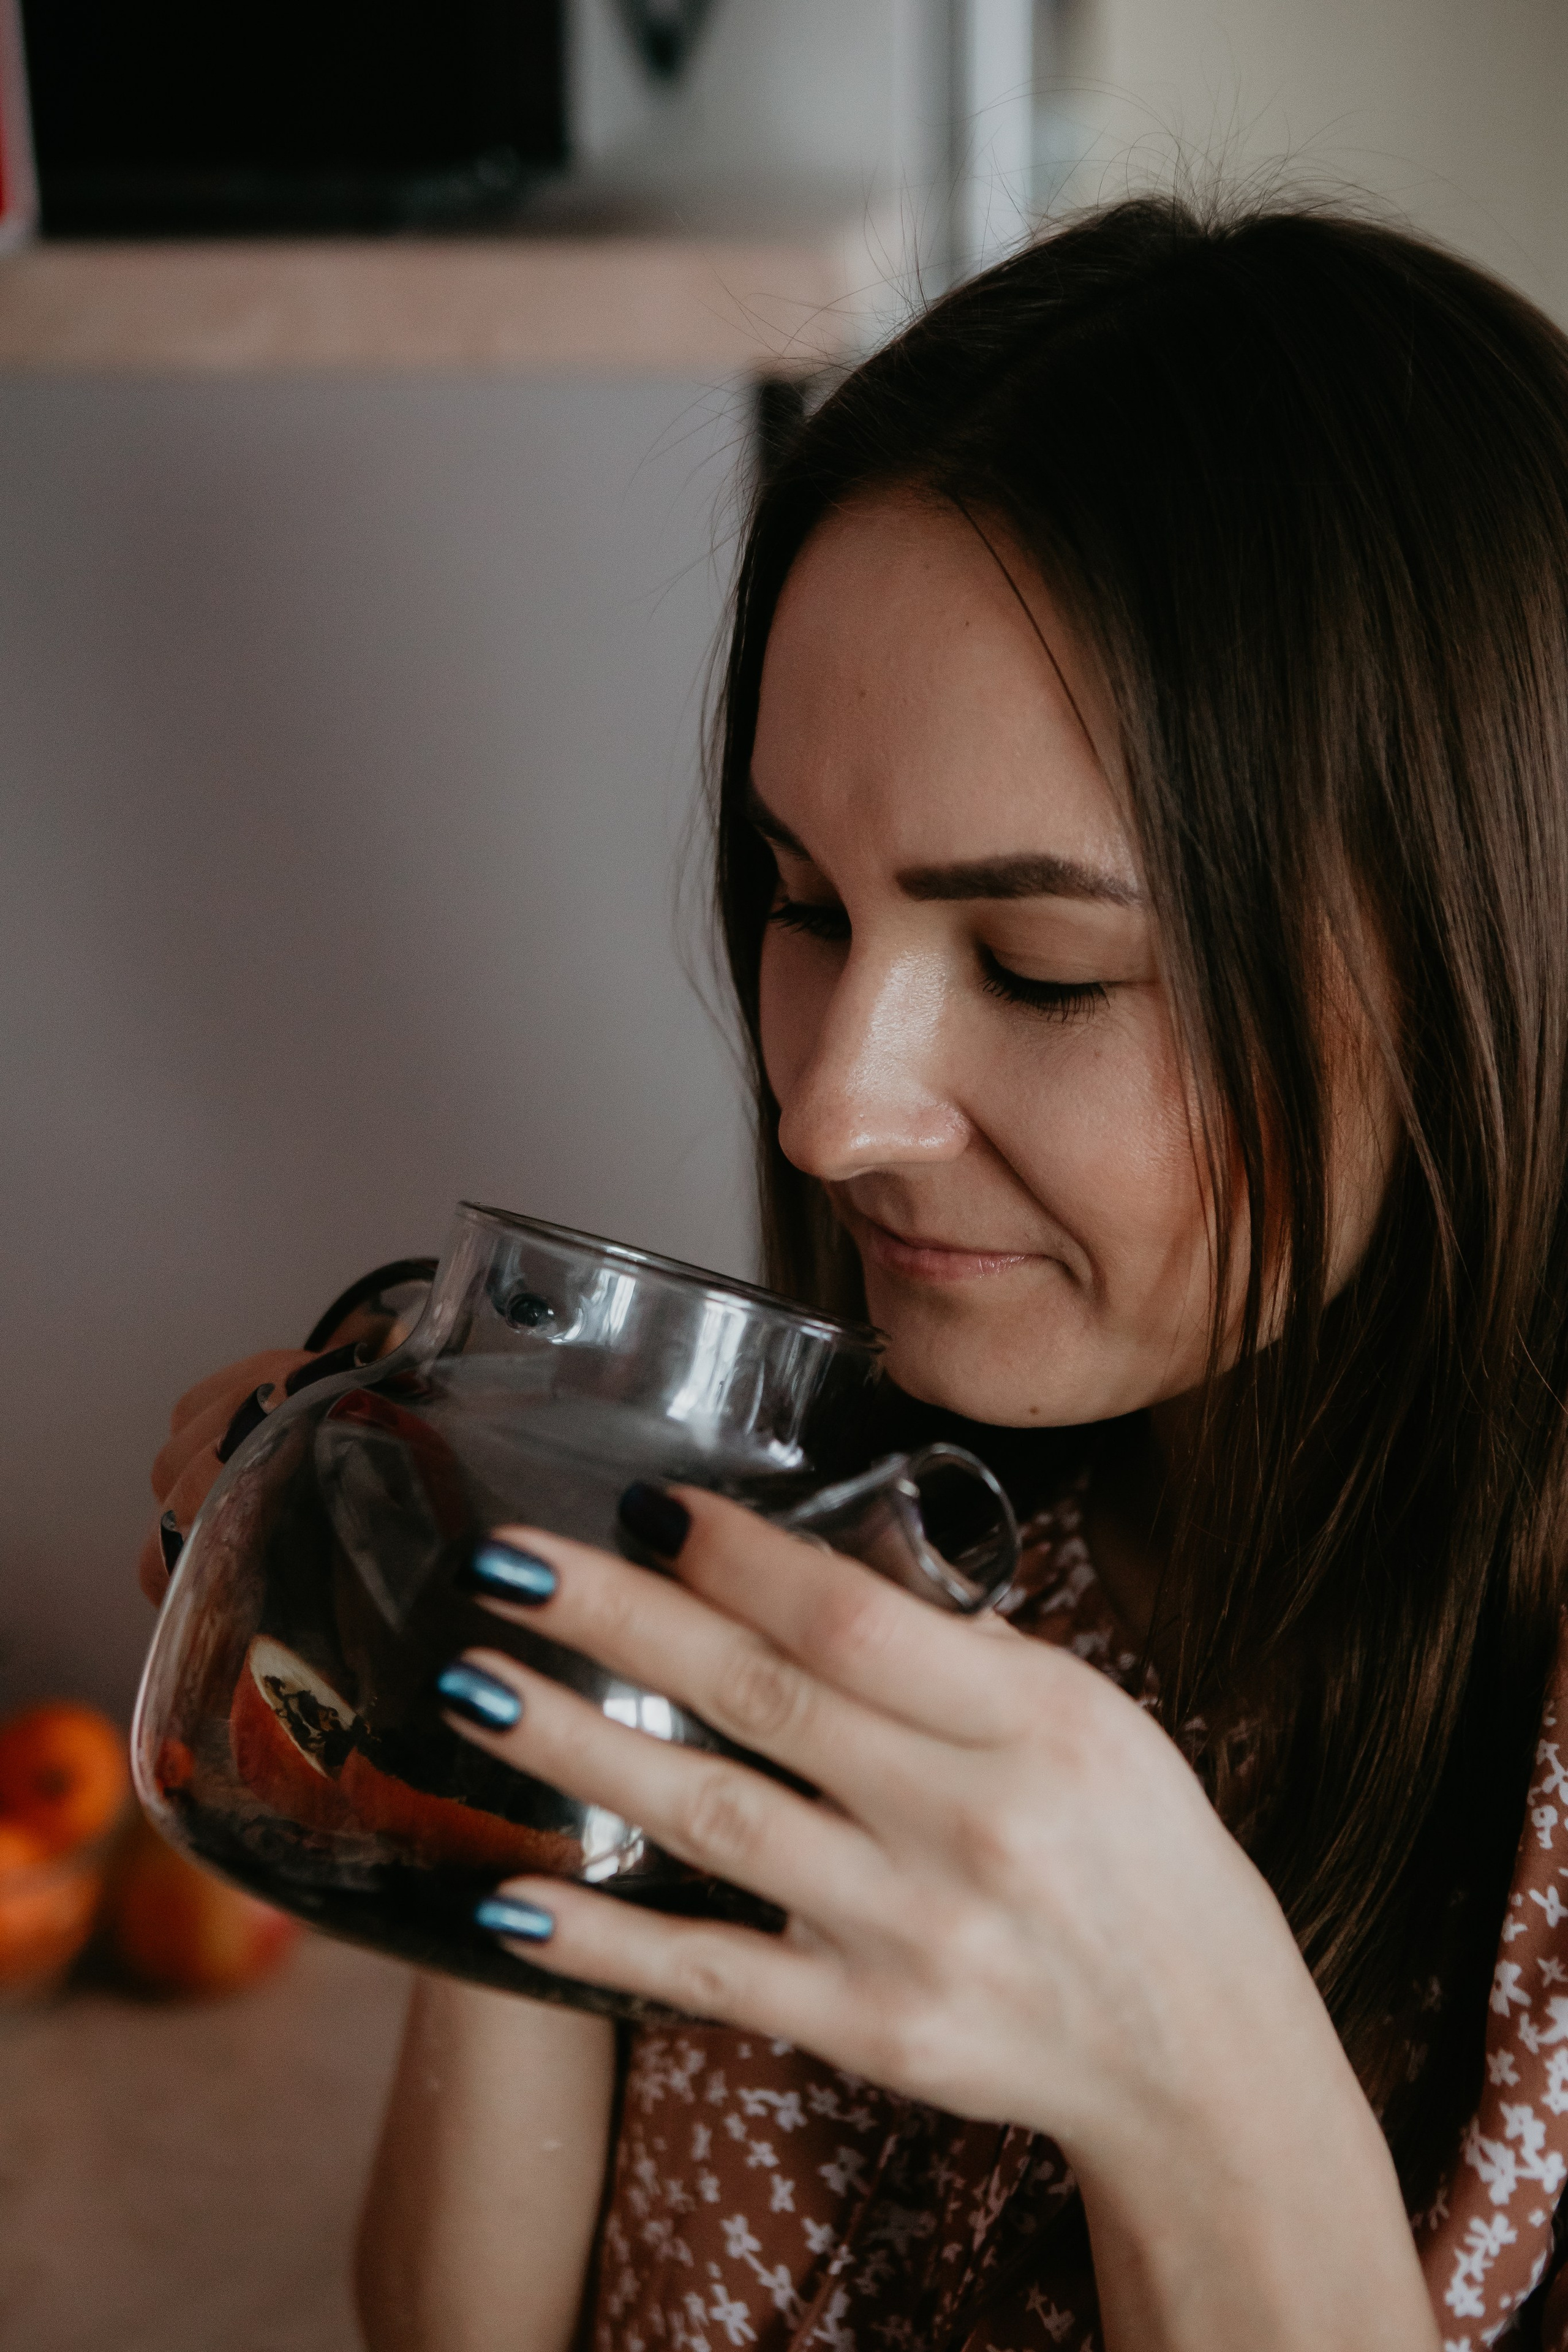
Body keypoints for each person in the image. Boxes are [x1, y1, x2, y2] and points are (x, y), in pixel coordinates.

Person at [139, 192, 1568, 2351]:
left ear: (1488, 985)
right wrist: (496, 1675)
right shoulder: (885, 1506)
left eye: (1044, 968)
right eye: (806, 904)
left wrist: (1195, 2081)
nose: (828, 1117)